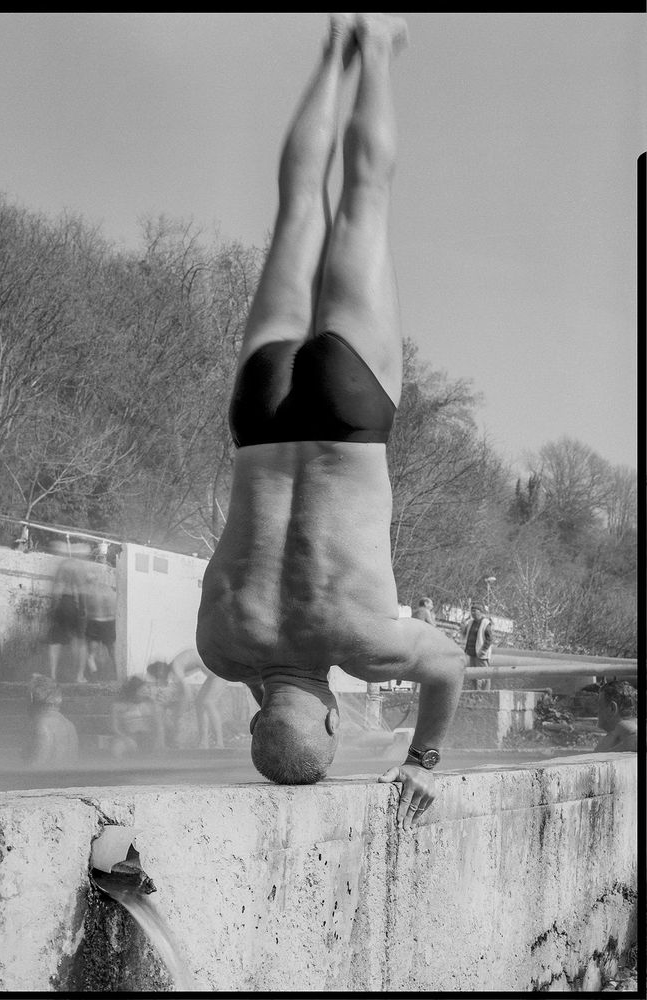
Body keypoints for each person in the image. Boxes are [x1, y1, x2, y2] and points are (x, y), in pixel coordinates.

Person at [196, 14, 464, 830]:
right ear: (257, 714)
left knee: (365, 207)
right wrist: (270, 698)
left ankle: (376, 46)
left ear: (336, 719)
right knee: (295, 215)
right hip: (262, 415)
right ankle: (332, 51)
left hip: (349, 419)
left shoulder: (366, 645)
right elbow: (255, 659)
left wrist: (423, 760)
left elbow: (449, 666)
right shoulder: (221, 647)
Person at [45, 549, 89, 683]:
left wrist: (53, 608)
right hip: (74, 604)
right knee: (80, 642)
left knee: (55, 642)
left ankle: (53, 675)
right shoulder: (79, 567)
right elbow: (81, 590)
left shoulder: (63, 565)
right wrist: (82, 609)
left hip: (61, 603)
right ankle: (79, 676)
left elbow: (56, 588)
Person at [22, 673, 80, 766]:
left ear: (33, 698)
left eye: (27, 697)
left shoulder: (42, 725)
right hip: (65, 779)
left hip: (46, 779)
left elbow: (37, 766)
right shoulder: (70, 725)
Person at [460, 602, 495, 691]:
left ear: (480, 612)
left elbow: (490, 639)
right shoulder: (471, 622)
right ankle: (476, 691)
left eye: (475, 611)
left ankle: (486, 692)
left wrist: (483, 650)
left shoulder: (486, 623)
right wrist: (463, 625)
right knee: (474, 675)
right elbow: (464, 634)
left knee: (484, 674)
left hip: (481, 654)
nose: (472, 613)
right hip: (472, 653)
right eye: (472, 611)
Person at [594, 680, 637, 752]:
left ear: (612, 708)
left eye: (600, 706)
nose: (596, 711)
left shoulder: (623, 727)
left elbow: (634, 741)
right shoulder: (620, 733)